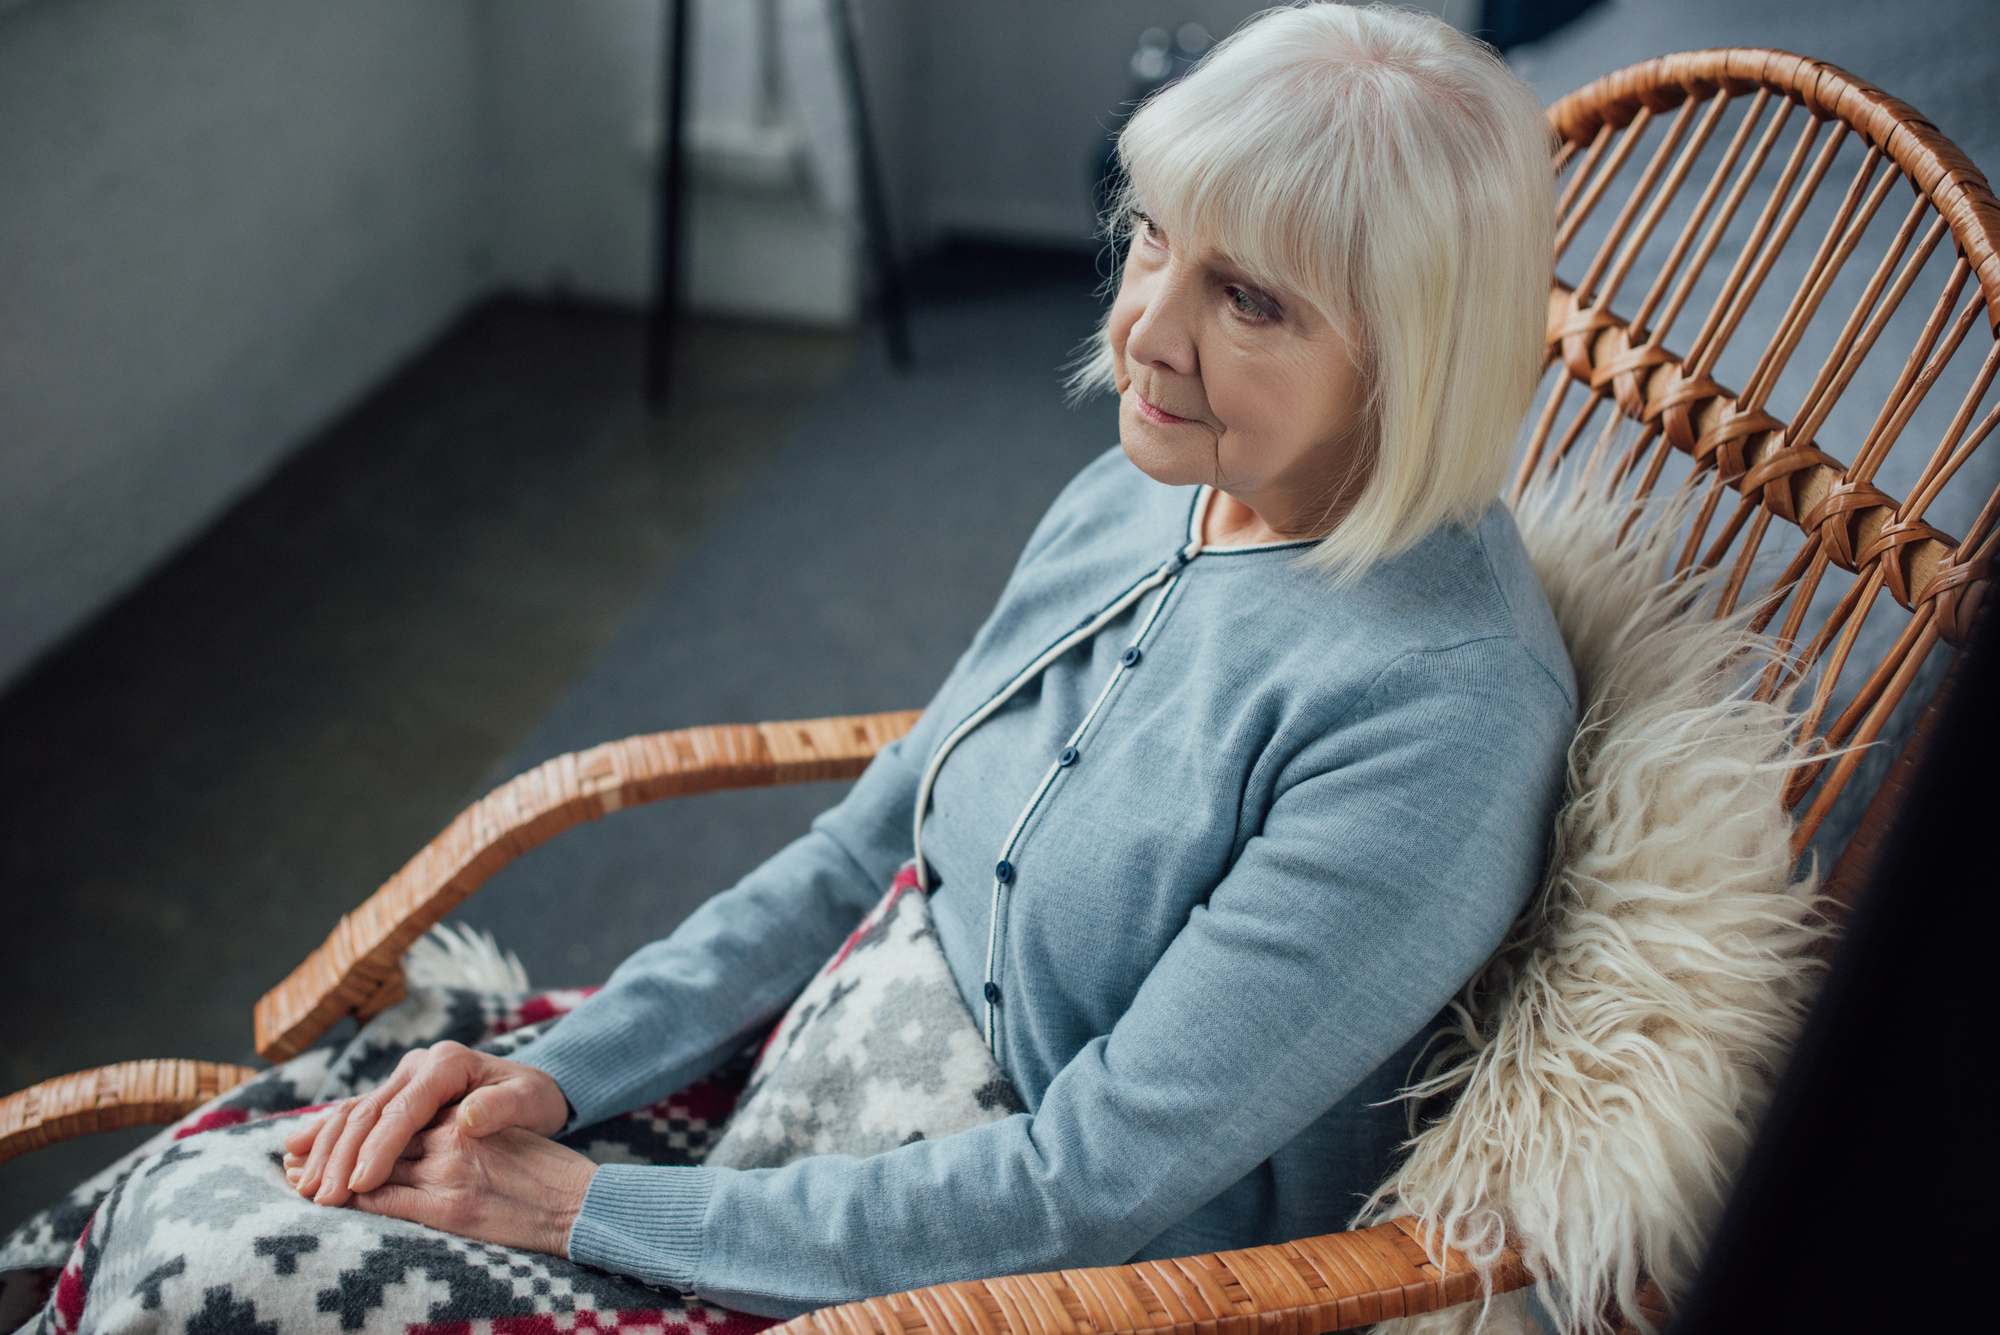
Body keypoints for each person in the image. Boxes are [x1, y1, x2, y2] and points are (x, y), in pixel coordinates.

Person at [283, 2, 1575, 1318]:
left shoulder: (1438, 714)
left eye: (1246, 299)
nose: (1145, 332)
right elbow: (865, 850)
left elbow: (1093, 1184)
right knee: (254, 1204)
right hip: (825, 1101)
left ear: (1419, 348)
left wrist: (581, 1208)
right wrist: (560, 1072)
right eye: (1152, 241)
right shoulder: (1143, 489)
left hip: (1070, 1285)